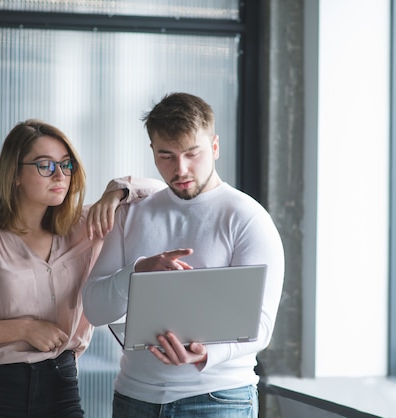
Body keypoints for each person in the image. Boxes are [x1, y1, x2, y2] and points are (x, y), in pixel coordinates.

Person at [0, 119, 164, 418]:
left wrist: (115, 193)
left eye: (66, 165)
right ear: (15, 175)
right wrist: (20, 329)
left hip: (60, 387)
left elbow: (158, 191)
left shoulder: (86, 226)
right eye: (45, 166)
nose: (60, 175)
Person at [82, 92, 285, 418]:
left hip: (218, 398)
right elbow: (94, 310)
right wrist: (137, 274)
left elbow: (260, 326)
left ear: (215, 147)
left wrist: (205, 354)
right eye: (166, 155)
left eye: (193, 153)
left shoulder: (247, 218)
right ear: (152, 151)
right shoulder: (130, 213)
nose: (180, 168)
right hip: (134, 396)